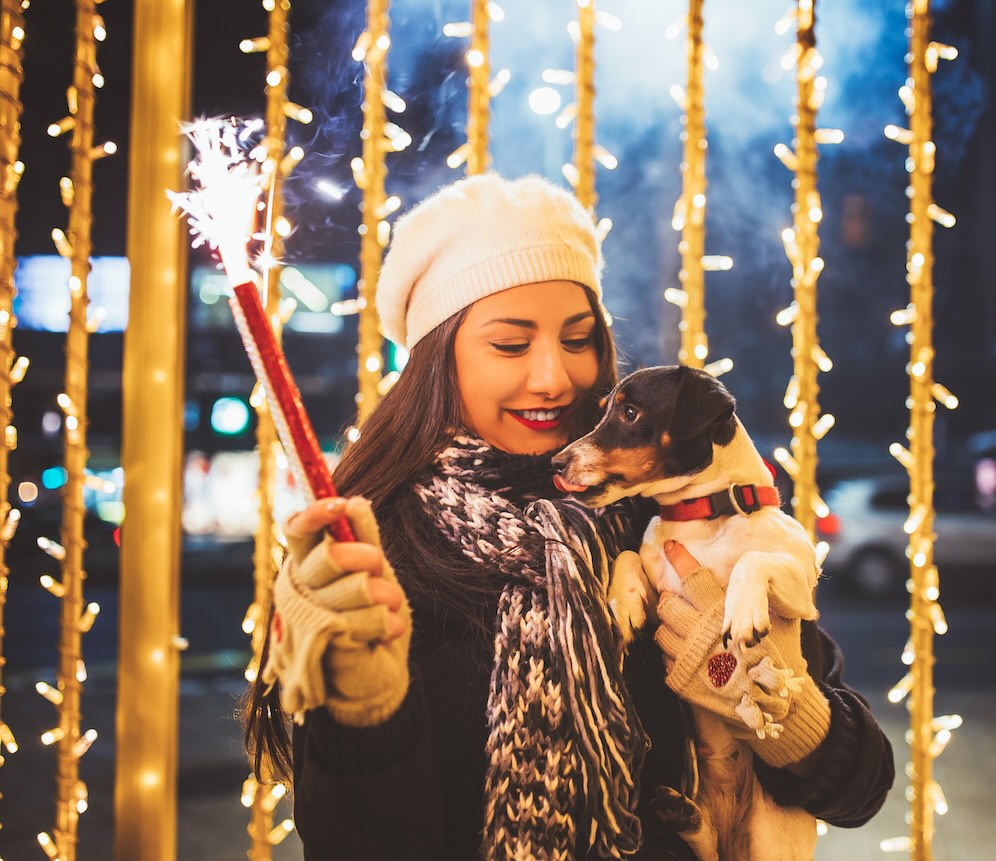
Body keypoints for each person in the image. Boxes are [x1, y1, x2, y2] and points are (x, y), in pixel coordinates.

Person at [244, 172, 895, 860]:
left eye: (579, 338)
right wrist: (363, 712)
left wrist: (781, 709)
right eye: (511, 344)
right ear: (440, 360)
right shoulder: (380, 552)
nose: (555, 377)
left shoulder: (663, 520)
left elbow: (862, 785)